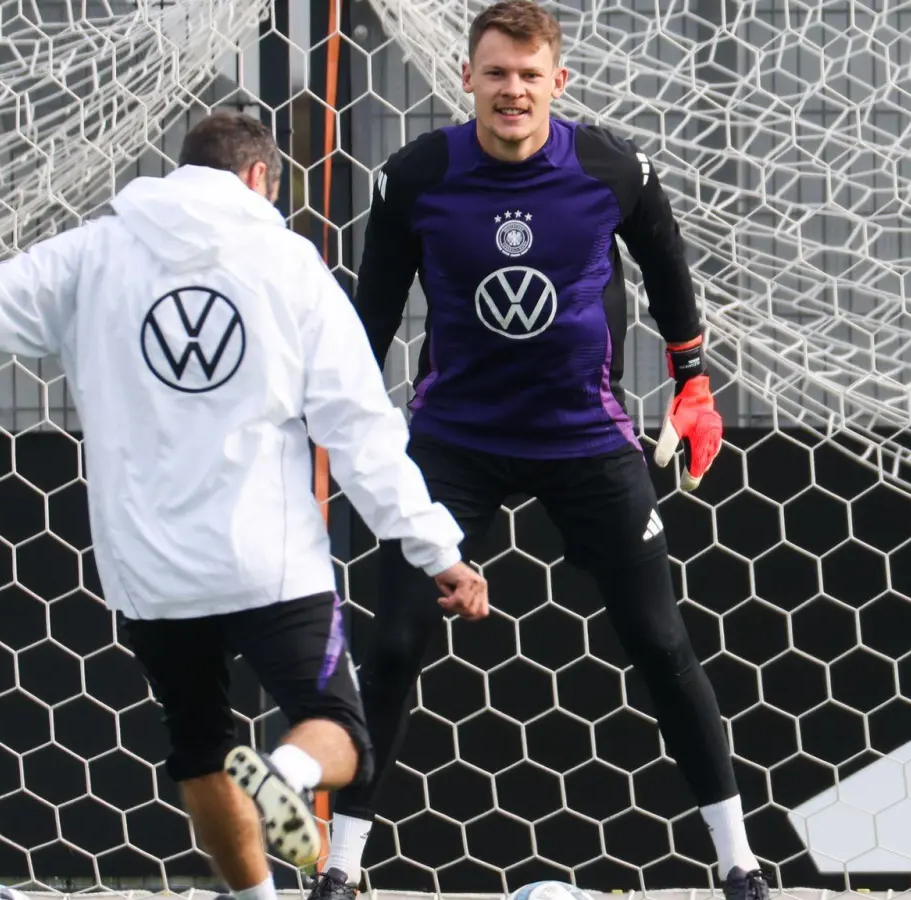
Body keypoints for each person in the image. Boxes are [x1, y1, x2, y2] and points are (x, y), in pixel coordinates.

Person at [0, 110, 489, 900]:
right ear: (260, 179)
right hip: (268, 564)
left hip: (150, 576)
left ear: (180, 170)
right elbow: (361, 432)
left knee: (199, 748)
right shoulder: (291, 268)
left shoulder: (95, 254)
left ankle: (256, 898)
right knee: (341, 732)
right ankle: (285, 771)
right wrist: (439, 550)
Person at [310, 2, 766, 899]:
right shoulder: (418, 176)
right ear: (468, 80)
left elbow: (667, 267)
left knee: (659, 639)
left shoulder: (609, 167)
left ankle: (739, 863)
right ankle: (342, 870)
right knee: (394, 645)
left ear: (556, 83)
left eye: (529, 75)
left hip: (585, 441)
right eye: (495, 73)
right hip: (454, 442)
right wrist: (335, 430)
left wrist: (694, 380)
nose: (511, 90)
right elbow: (370, 322)